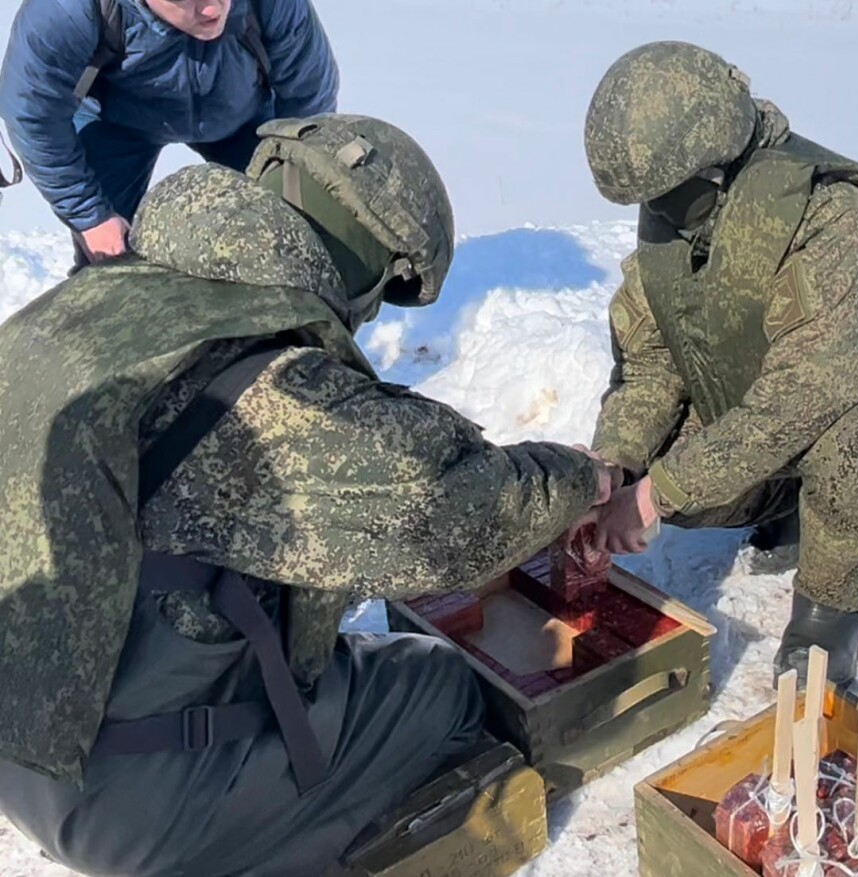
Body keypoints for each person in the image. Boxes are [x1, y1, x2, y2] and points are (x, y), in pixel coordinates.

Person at [0, 113, 617, 877]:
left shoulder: (104, 304)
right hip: (126, 796)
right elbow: (451, 515)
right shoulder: (264, 381)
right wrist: (581, 477)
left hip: (29, 736)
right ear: (358, 259)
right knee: (439, 686)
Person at [582, 41, 858, 688]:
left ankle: (831, 613)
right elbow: (651, 361)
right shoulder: (681, 209)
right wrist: (612, 467)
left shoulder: (833, 216)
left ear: (713, 161)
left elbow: (813, 390)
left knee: (847, 449)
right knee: (660, 452)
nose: (658, 213)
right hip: (767, 391)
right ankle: (786, 502)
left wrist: (656, 495)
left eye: (667, 194)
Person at [0, 0, 339, 270]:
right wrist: (90, 215)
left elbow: (309, 100)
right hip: (118, 122)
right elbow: (32, 113)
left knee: (290, 232)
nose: (211, 8)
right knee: (107, 255)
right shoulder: (67, 8)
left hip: (240, 117)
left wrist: (297, 184)